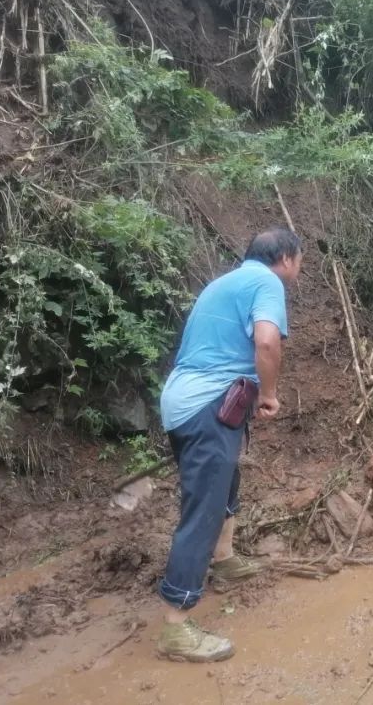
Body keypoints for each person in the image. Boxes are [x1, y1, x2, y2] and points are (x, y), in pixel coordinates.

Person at [155, 227, 302, 662]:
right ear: (287, 257)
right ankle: (176, 628)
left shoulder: (224, 282)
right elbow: (267, 341)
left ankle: (225, 561)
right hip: (207, 406)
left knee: (225, 481)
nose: (298, 268)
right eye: (300, 260)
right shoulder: (266, 282)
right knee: (202, 509)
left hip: (188, 402)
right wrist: (271, 393)